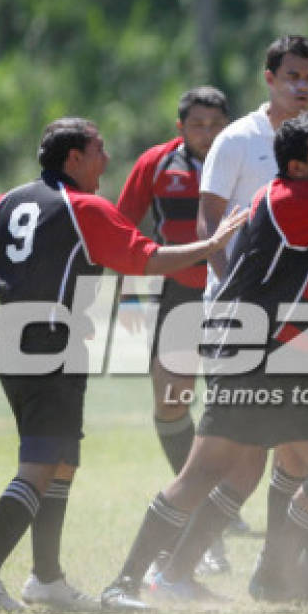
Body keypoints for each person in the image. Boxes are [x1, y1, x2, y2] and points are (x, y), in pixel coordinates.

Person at [101, 113, 308, 610]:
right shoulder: (298, 199)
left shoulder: (294, 193)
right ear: (298, 165)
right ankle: (126, 584)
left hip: (282, 354)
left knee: (305, 472)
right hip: (256, 355)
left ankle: (231, 574)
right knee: (204, 474)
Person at [0, 118, 245, 612]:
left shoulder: (4, 202)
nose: (106, 160)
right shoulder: (84, 207)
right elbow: (145, 259)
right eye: (98, 150)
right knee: (40, 465)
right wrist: (213, 246)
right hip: (50, 339)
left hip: (11, 337)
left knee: (62, 459)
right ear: (73, 159)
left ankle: (46, 579)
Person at [197, 35, 308, 592]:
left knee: (294, 447)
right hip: (240, 315)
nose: (302, 86)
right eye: (291, 75)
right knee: (235, 454)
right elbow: (211, 226)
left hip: (295, 321)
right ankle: (183, 558)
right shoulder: (238, 140)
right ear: (268, 78)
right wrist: (234, 299)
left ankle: (276, 567)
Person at [116, 86, 229, 491]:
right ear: (180, 126)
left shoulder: (241, 158)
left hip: (233, 293)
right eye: (197, 124)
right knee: (171, 401)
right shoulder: (156, 162)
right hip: (178, 292)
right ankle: (193, 490)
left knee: (234, 406)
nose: (208, 132)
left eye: (216, 124)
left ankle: (222, 498)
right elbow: (124, 229)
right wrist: (130, 294)